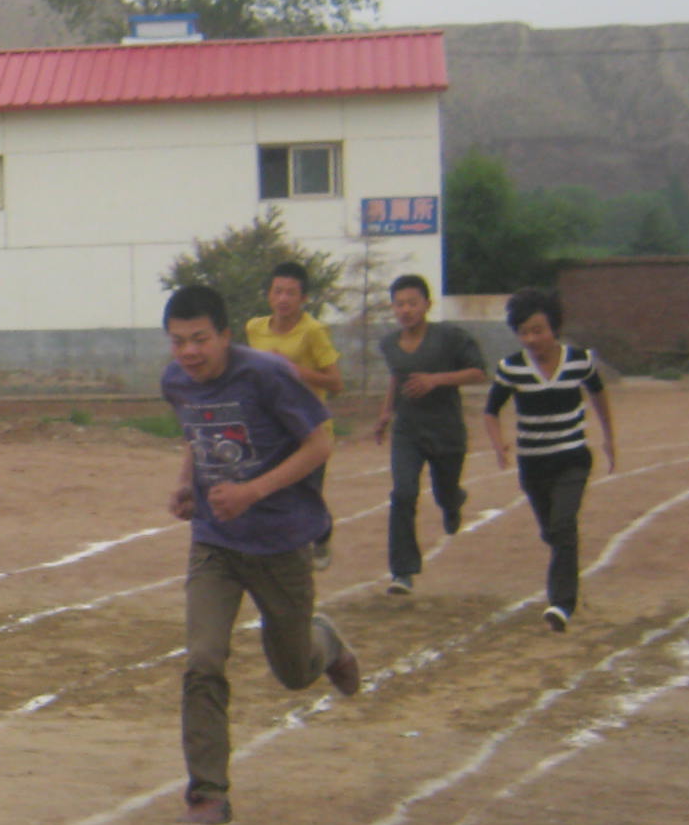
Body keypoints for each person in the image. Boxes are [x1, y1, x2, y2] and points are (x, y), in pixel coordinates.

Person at [160, 283, 360, 825]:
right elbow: (195, 434)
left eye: (200, 339)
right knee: (203, 658)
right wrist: (187, 483)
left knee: (294, 671)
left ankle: (327, 643)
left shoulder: (267, 375)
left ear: (226, 334)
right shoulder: (175, 381)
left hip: (280, 542)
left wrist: (253, 491)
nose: (189, 352)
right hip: (215, 543)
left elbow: (320, 444)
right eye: (178, 341)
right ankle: (208, 794)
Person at [482, 288, 617, 634]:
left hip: (572, 458)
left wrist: (609, 436)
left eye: (538, 330)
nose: (532, 339)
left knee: (563, 524)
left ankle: (561, 604)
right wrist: (498, 444)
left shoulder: (579, 361)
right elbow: (491, 411)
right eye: (524, 332)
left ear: (554, 328)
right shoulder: (511, 369)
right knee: (553, 531)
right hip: (534, 464)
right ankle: (565, 584)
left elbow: (598, 394)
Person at [368, 274, 487, 594]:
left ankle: (453, 502)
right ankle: (402, 571)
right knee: (403, 493)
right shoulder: (389, 344)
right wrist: (385, 414)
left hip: (446, 430)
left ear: (427, 305)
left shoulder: (449, 337)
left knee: (444, 491)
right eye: (399, 304)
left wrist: (436, 380)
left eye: (412, 303)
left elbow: (478, 372)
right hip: (408, 432)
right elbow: (397, 378)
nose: (405, 310)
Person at [243, 261, 341, 570]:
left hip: (309, 428)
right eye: (278, 291)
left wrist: (293, 370)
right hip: (272, 429)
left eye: (291, 293)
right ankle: (279, 555)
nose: (283, 299)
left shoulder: (313, 331)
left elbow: (336, 382)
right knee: (273, 491)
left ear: (303, 298)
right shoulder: (254, 328)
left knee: (307, 494)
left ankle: (322, 534)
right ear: (269, 295)